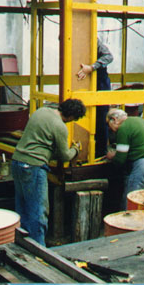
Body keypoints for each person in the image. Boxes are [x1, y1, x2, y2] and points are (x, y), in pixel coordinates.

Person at [12, 98, 86, 245]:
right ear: (71, 116)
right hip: (34, 166)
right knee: (39, 211)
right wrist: (75, 150)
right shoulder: (60, 126)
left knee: (23, 208)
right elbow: (64, 155)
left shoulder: (41, 111)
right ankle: (39, 251)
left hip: (17, 162)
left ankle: (22, 245)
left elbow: (39, 140)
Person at [105, 108, 144, 208]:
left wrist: (112, 157)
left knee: (131, 203)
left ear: (114, 119)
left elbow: (120, 160)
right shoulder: (140, 120)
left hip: (143, 166)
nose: (110, 129)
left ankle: (127, 223)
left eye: (108, 125)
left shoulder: (123, 128)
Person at [76, 38, 113, 157]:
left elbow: (109, 57)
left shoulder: (93, 40)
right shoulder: (72, 41)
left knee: (101, 118)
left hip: (100, 84)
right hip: (84, 85)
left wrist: (92, 67)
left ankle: (101, 152)